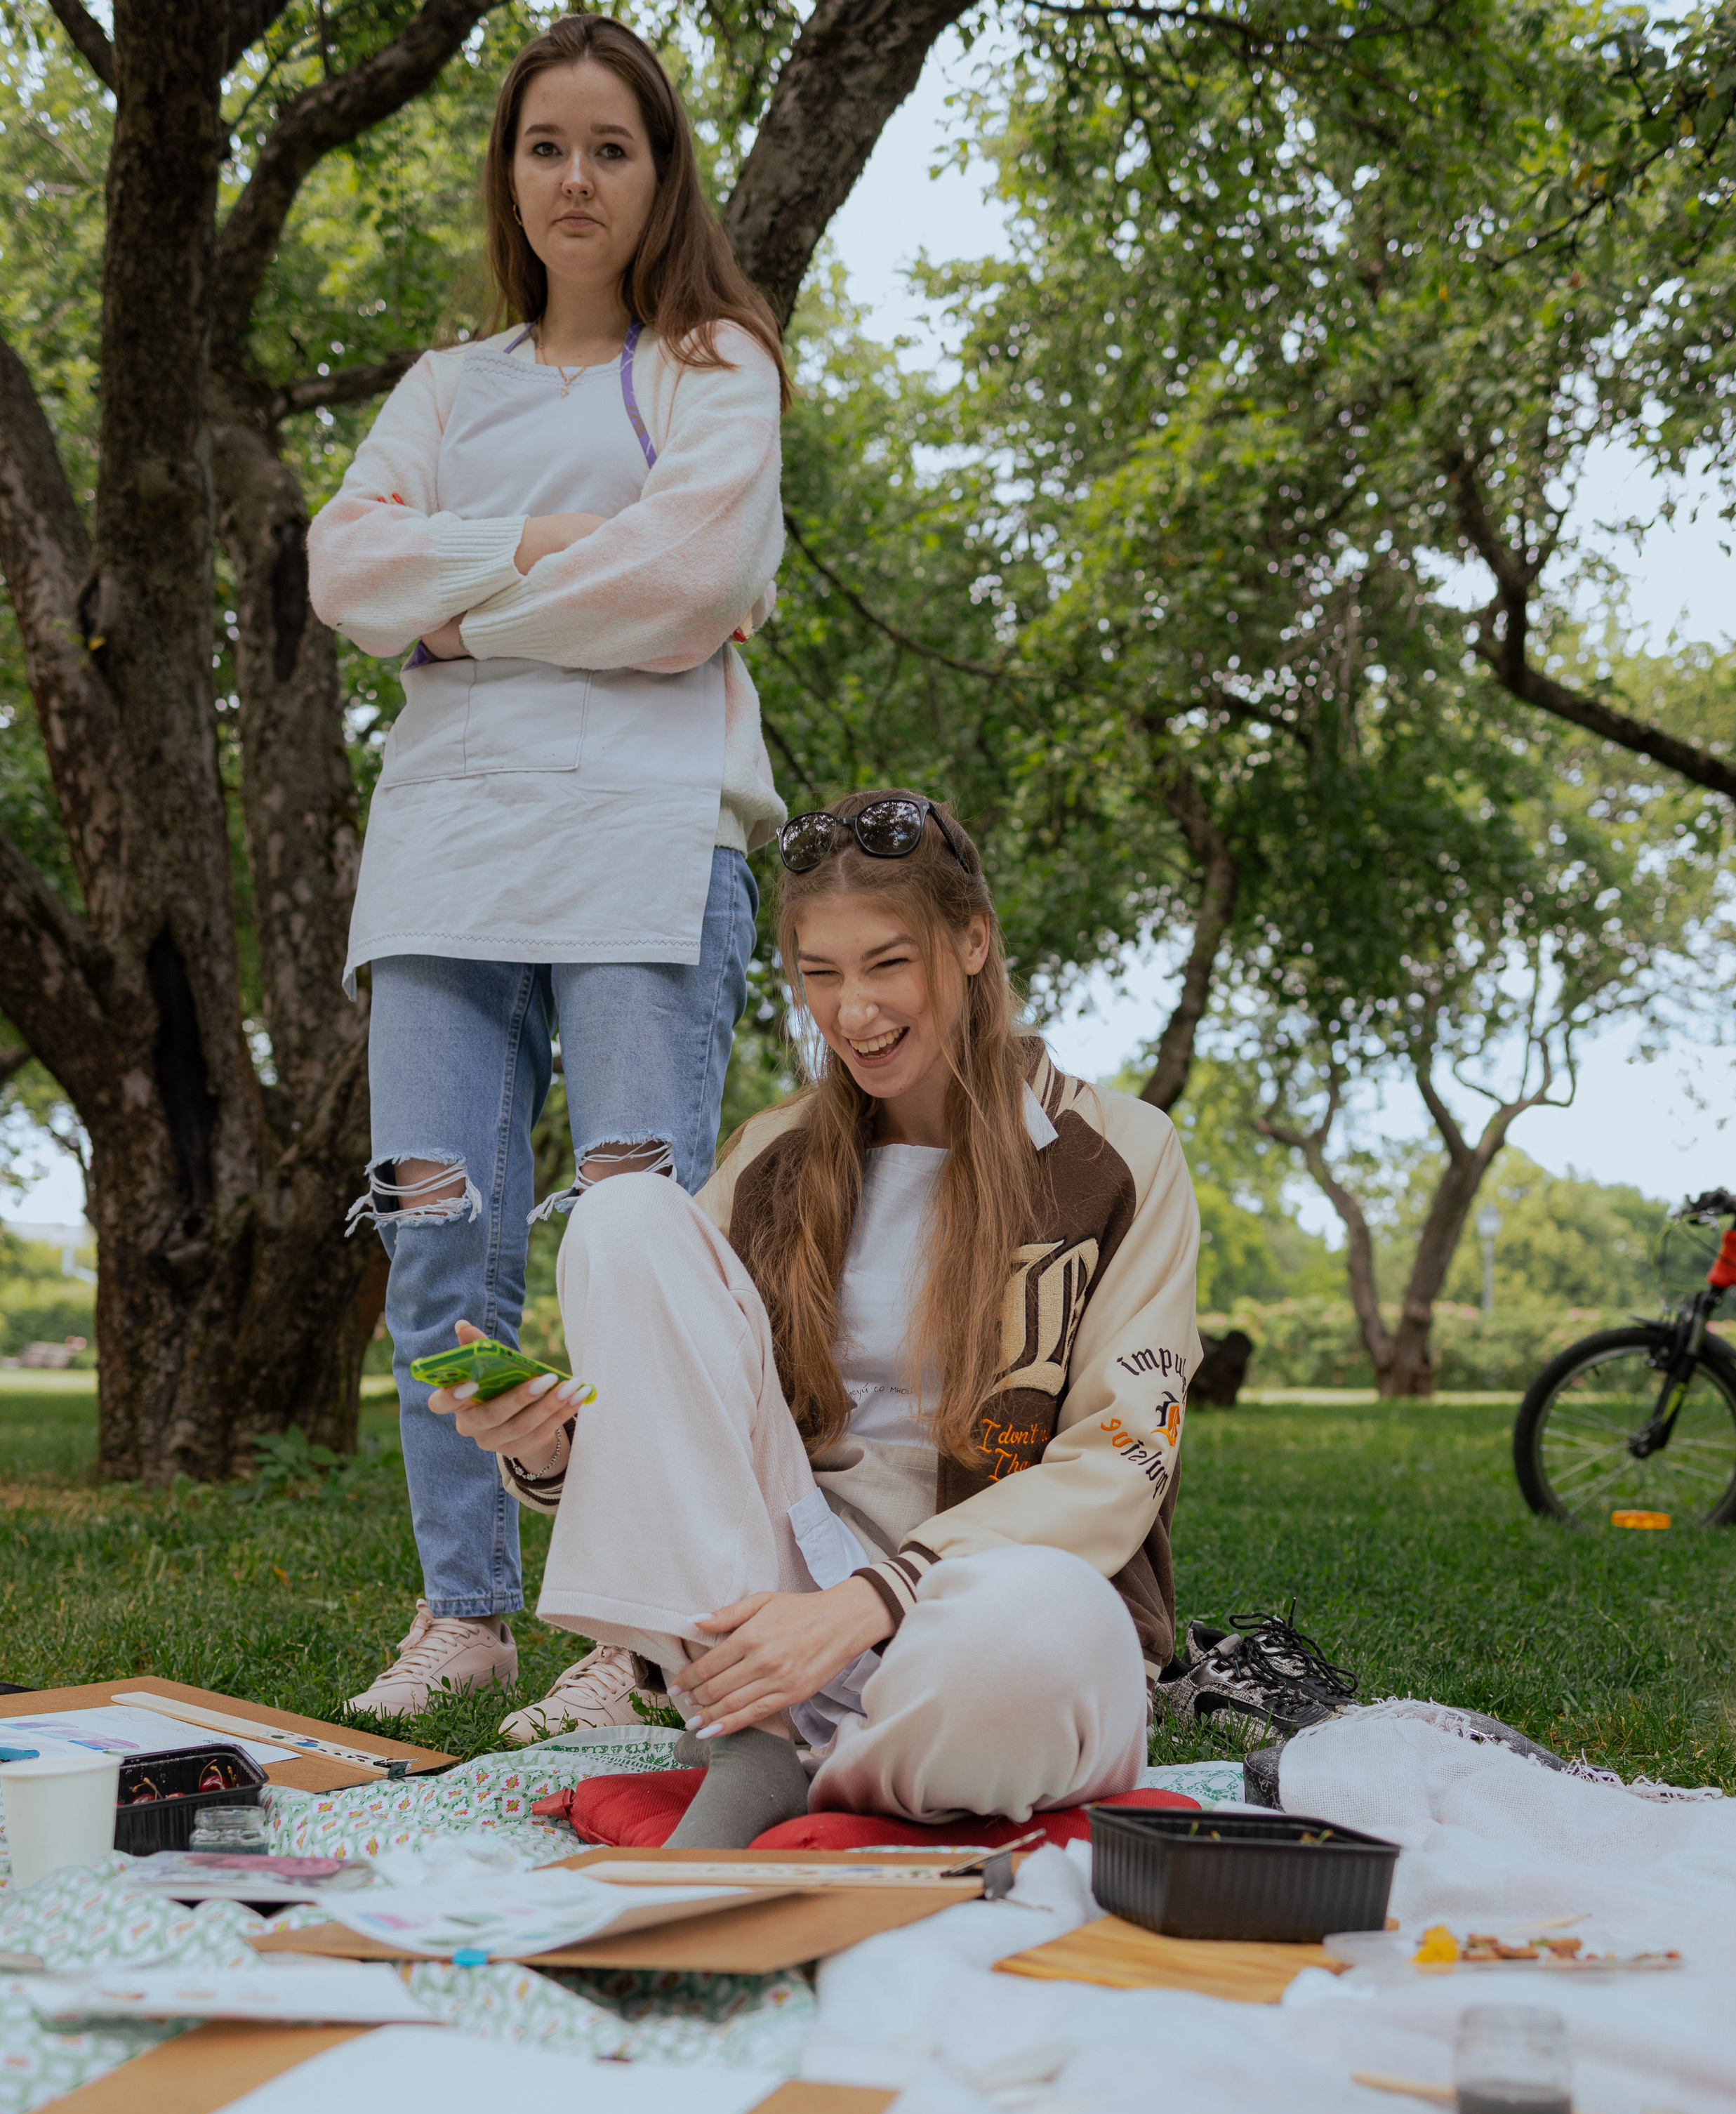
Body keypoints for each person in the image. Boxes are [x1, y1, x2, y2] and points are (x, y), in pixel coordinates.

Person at [307, 13, 788, 1733]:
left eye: (610, 146)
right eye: (544, 146)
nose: (574, 177)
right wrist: (546, 548)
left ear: (658, 177)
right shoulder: (447, 389)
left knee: (632, 1248)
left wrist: (452, 616)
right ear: (509, 176)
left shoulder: (715, 367)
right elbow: (339, 570)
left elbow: (697, 586)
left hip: (648, 842)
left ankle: (626, 1626)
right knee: (442, 1241)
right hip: (443, 854)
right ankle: (470, 1613)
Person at [424, 789, 1203, 1839]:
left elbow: (1119, 1460)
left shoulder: (1119, 1155)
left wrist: (874, 1603)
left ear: (972, 943)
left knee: (1035, 1641)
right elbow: (680, 1435)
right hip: (774, 1615)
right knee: (623, 1218)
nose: (854, 1013)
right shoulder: (771, 1161)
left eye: (889, 965)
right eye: (819, 976)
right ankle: (763, 1737)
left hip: (976, 1615)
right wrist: (551, 1449)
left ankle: (808, 1763)